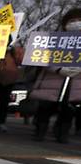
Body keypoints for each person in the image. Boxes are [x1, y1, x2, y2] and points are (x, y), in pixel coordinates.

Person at [30, 8, 81, 143]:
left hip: (75, 84)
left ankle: (62, 133)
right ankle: (40, 131)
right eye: (72, 21)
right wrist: (58, 69)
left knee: (68, 110)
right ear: (65, 24)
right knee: (45, 108)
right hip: (52, 81)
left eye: (79, 21)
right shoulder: (53, 40)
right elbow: (41, 58)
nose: (76, 23)